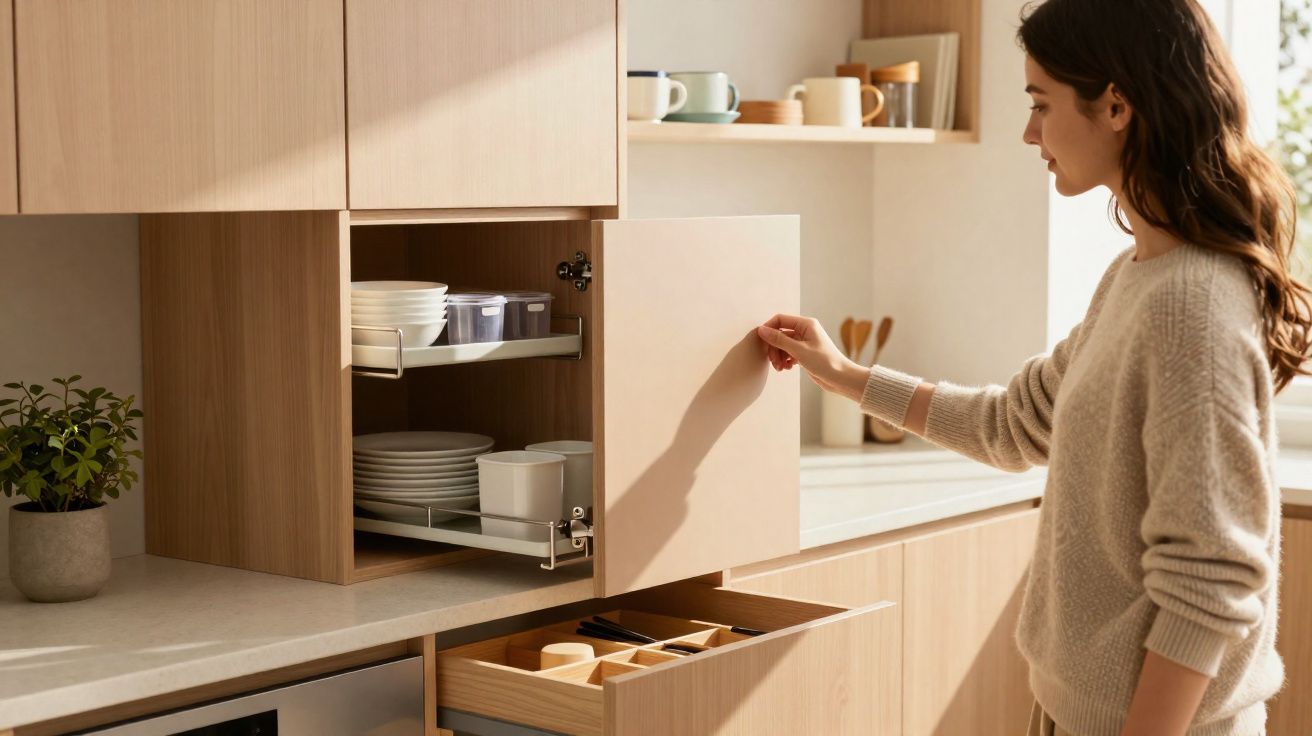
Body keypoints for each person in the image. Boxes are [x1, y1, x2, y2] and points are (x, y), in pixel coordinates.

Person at [756, 0, 1312, 734]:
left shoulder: (1190, 305)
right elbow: (1014, 423)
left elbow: (1211, 581)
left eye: (1040, 104)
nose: (1028, 132)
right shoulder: (1137, 277)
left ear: (1115, 104)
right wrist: (843, 374)